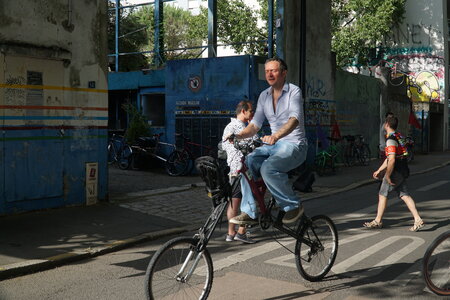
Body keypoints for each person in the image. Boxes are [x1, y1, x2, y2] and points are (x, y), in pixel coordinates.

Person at [229, 57, 308, 225]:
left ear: (284, 73)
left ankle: (292, 205)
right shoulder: (264, 96)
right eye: (267, 71)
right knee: (246, 162)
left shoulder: (294, 91)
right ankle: (250, 211)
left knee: (268, 167)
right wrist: (238, 136)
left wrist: (276, 136)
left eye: (274, 70)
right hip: (274, 145)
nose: (269, 74)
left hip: (295, 145)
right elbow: (255, 124)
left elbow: (294, 120)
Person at [364, 115, 424, 232]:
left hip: (395, 172)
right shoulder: (399, 136)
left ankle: (377, 221)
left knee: (382, 194)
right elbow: (390, 158)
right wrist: (380, 170)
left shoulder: (391, 139)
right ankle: (418, 219)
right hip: (402, 169)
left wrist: (387, 175)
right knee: (405, 195)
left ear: (386, 124)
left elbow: (391, 159)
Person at [221, 100, 257, 243]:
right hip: (243, 171)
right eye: (251, 111)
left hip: (233, 171)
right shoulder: (242, 128)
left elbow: (224, 147)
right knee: (249, 200)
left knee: (233, 203)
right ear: (243, 111)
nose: (253, 113)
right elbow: (256, 143)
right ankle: (241, 232)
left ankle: (230, 233)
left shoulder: (229, 126)